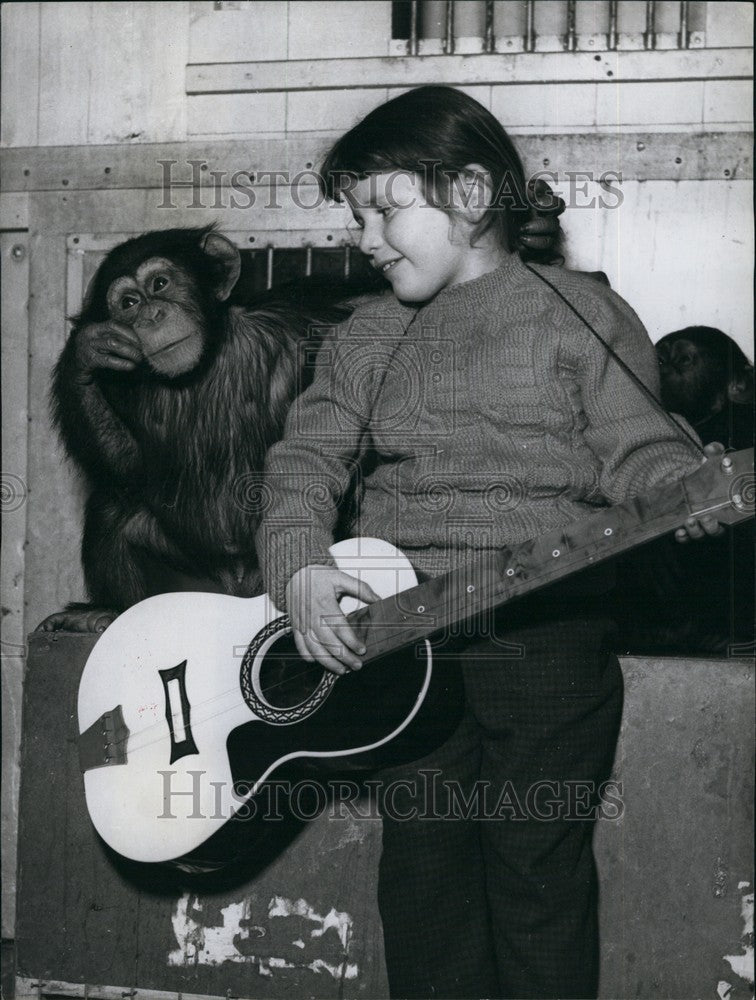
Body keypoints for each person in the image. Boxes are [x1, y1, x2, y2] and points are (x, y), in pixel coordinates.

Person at [256, 86, 720, 999]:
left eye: (385, 210)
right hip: (403, 642)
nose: (365, 238)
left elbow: (641, 446)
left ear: (469, 192)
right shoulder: (368, 335)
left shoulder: (578, 311)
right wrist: (300, 564)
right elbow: (301, 464)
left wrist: (679, 490)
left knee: (534, 872)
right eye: (357, 219)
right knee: (422, 877)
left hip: (546, 637)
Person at [616, 326, 754, 655]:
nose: (664, 367)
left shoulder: (739, 427)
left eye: (683, 359)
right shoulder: (655, 438)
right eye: (658, 359)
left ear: (738, 385)